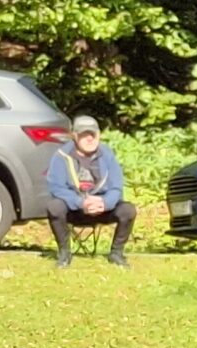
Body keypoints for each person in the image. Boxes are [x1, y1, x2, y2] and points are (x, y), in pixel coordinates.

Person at [43, 115, 135, 269]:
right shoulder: (61, 156)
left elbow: (116, 187)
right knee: (54, 207)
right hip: (74, 209)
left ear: (99, 135)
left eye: (93, 134)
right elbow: (56, 188)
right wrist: (81, 203)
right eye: (84, 135)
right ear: (75, 136)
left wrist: (104, 203)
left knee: (128, 210)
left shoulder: (107, 155)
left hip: (102, 208)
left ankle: (116, 253)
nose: (90, 138)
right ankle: (64, 254)